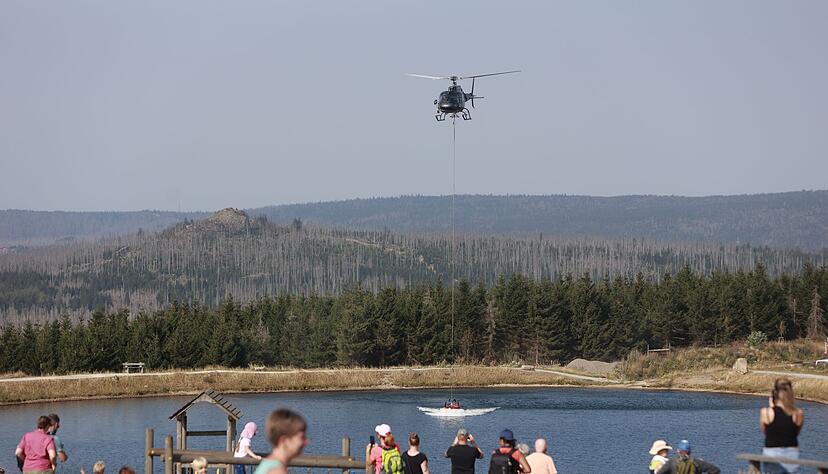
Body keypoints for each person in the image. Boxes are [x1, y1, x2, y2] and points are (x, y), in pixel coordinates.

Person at [760, 378, 805, 474]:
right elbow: (795, 434)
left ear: (774, 394)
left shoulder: (765, 412)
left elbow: (766, 432)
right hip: (791, 453)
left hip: (771, 453)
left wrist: (772, 407)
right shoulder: (798, 413)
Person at [253, 408, 308, 474]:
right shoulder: (277, 471)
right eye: (302, 437)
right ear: (284, 441)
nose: (306, 442)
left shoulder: (267, 464)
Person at [655, 440, 720, 474]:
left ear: (678, 451)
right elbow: (716, 470)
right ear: (690, 451)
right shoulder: (698, 462)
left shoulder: (671, 462)